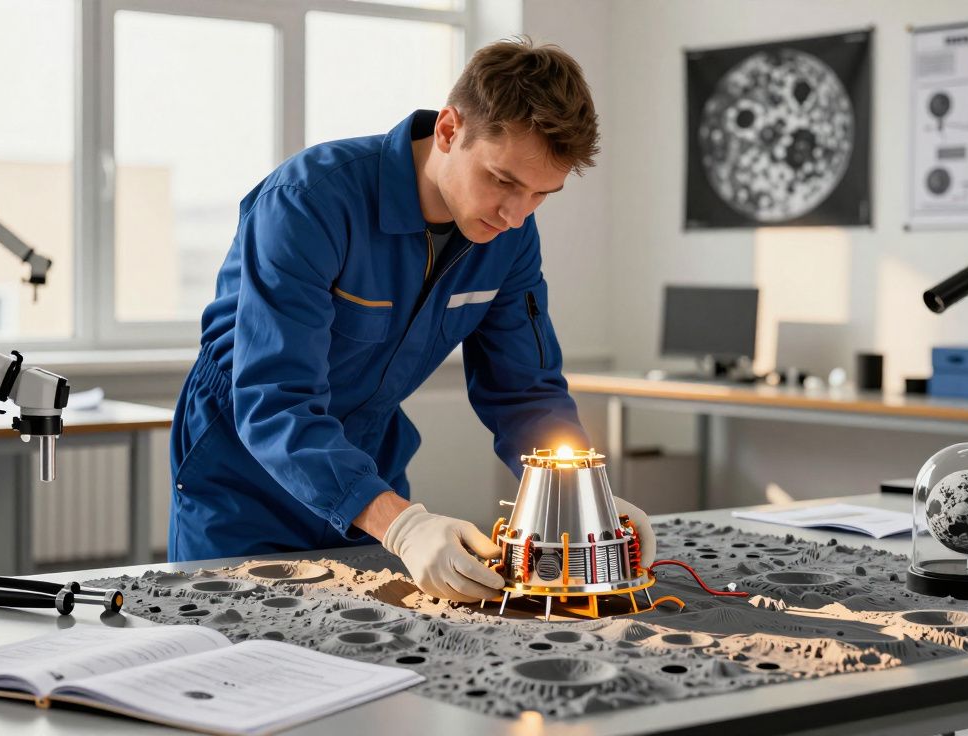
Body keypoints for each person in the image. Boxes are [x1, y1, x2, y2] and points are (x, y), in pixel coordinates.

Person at [170, 37, 655, 603]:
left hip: (369, 468)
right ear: (449, 130)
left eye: (541, 194)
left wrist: (579, 498)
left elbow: (525, 390)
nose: (515, 213)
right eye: (502, 181)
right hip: (244, 480)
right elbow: (275, 400)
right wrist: (401, 525)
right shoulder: (308, 203)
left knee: (374, 642)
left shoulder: (510, 235)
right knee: (233, 644)